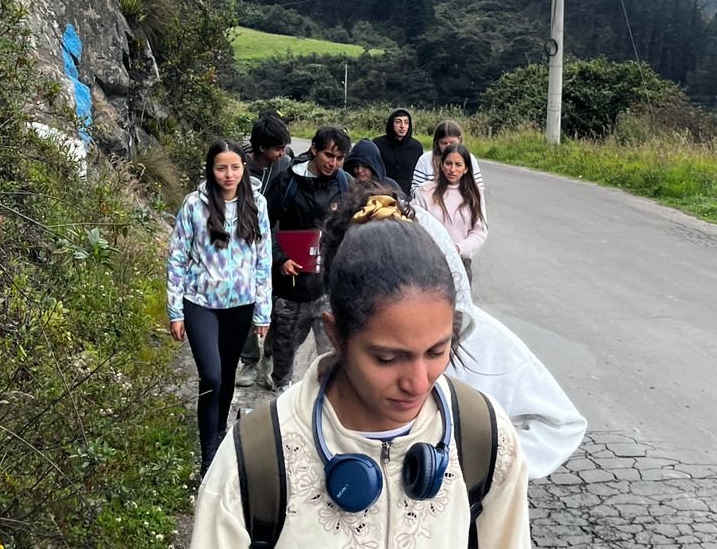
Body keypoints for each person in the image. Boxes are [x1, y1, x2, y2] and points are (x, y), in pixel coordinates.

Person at [192, 188, 532, 547]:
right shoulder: (253, 461)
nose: (418, 383)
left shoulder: (486, 438)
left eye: (437, 351)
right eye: (387, 358)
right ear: (335, 335)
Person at [166, 140, 271, 476]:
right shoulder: (194, 205)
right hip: (200, 302)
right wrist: (175, 311)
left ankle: (220, 431)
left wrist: (263, 311)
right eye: (221, 168)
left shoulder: (257, 204)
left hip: (240, 303)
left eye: (235, 167)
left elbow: (263, 259)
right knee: (211, 375)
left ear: (244, 168)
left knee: (226, 377)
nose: (229, 174)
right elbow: (177, 257)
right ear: (211, 170)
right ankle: (208, 455)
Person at [264, 125, 352, 391]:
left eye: (339, 158)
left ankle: (324, 398)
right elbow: (262, 227)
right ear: (314, 149)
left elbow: (352, 227)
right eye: (328, 155)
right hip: (290, 285)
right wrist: (280, 260)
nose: (333, 163)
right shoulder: (287, 182)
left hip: (327, 286)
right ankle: (278, 384)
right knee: (285, 349)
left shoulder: (345, 184)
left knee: (332, 350)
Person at [237, 114, 292, 388]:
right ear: (260, 147)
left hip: (275, 244)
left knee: (275, 306)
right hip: (244, 245)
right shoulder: (239, 165)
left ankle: (269, 357)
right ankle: (249, 359)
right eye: (277, 148)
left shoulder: (284, 165)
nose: (282, 153)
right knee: (246, 303)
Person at [414, 143, 487, 281]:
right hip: (429, 263)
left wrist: (458, 249)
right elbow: (415, 228)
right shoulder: (425, 191)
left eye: (458, 165)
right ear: (441, 165)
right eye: (448, 163)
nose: (452, 169)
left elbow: (479, 230)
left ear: (466, 168)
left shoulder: (475, 193)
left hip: (461, 263)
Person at [411, 119, 485, 190]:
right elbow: (415, 190)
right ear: (437, 143)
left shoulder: (469, 158)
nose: (448, 146)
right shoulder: (425, 159)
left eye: (453, 143)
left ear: (460, 140)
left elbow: (478, 189)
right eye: (444, 143)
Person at [372, 107, 422, 195]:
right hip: (383, 192)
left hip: (407, 194)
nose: (402, 126)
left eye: (406, 122)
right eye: (398, 122)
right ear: (391, 124)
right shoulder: (377, 144)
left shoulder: (416, 147)